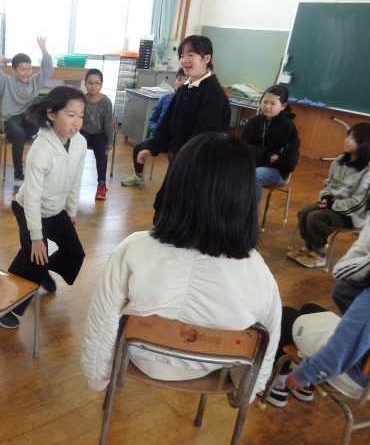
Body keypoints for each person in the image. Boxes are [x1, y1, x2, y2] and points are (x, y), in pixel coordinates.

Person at [81, 133, 281, 396]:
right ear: (243, 197)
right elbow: (266, 341)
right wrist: (247, 392)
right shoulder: (258, 272)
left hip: (139, 356)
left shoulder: (134, 248)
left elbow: (103, 318)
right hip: (208, 365)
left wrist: (98, 377)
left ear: (176, 185)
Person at [0, 86, 87, 329]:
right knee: (35, 258)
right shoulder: (41, 149)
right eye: (70, 115)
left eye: (80, 115)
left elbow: (76, 179)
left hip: (56, 210)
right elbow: (33, 197)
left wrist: (71, 210)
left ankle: (41, 267)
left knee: (75, 255)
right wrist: (36, 238)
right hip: (28, 208)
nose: (76, 121)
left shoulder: (80, 143)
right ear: (51, 114)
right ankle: (5, 308)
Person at [134, 36, 231, 222]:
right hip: (180, 157)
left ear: (207, 58)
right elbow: (167, 121)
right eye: (182, 55)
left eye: (191, 55)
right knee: (165, 203)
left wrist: (183, 159)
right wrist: (153, 146)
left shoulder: (213, 94)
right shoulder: (186, 86)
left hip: (197, 165)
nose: (184, 60)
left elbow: (202, 137)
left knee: (185, 209)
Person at [263, 287, 370, 408]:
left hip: (355, 377)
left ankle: (277, 385)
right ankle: (306, 386)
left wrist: (305, 374)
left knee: (286, 315)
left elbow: (339, 352)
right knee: (310, 308)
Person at [289, 122, 370, 268]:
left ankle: (319, 254)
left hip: (352, 214)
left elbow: (359, 203)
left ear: (367, 143)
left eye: (354, 138)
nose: (347, 140)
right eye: (348, 136)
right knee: (305, 212)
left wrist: (333, 204)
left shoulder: (368, 171)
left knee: (315, 217)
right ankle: (309, 247)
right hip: (333, 205)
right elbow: (329, 184)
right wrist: (325, 197)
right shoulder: (339, 160)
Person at [0, 36, 54, 184]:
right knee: (19, 133)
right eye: (22, 69)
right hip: (12, 122)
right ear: (14, 70)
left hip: (28, 120)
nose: (26, 73)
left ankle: (46, 167)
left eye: (29, 69)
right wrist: (2, 59)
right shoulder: (6, 82)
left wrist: (43, 48)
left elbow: (48, 69)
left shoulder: (34, 82)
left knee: (41, 107)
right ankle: (18, 171)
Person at [331, 139, 370, 312]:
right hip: (363, 262)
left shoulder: (369, 180)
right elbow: (365, 243)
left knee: (342, 291)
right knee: (309, 214)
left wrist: (345, 269)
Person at [121, 68, 187, 187]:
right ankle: (138, 176)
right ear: (175, 80)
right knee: (138, 148)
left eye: (185, 80)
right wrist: (158, 131)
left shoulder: (188, 102)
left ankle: (174, 185)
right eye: (179, 79)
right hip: (160, 139)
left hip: (177, 143)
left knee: (176, 159)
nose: (181, 82)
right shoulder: (165, 99)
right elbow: (152, 120)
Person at [240, 84, 300, 207]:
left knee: (255, 176)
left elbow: (289, 152)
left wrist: (276, 158)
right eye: (265, 102)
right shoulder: (253, 122)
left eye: (273, 103)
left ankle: (250, 216)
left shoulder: (288, 126)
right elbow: (243, 145)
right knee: (229, 171)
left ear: (283, 106)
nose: (267, 106)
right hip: (253, 164)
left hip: (277, 170)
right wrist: (265, 155)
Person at [80, 69, 114, 200]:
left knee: (101, 152)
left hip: (98, 133)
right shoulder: (81, 99)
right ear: (85, 83)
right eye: (89, 83)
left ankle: (101, 183)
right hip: (83, 131)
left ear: (101, 85)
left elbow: (108, 123)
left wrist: (109, 143)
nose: (93, 86)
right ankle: (70, 180)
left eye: (96, 83)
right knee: (76, 150)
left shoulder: (106, 102)